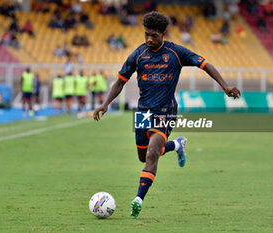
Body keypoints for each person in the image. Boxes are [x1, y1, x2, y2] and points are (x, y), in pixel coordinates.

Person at [93, 11, 240, 218]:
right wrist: (105, 104)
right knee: (143, 156)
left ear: (163, 34)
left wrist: (225, 86)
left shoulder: (176, 52)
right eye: (146, 35)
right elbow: (120, 82)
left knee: (153, 152)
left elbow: (205, 65)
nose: (149, 39)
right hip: (143, 111)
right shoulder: (138, 55)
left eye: (153, 35)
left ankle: (138, 200)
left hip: (165, 110)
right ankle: (177, 145)